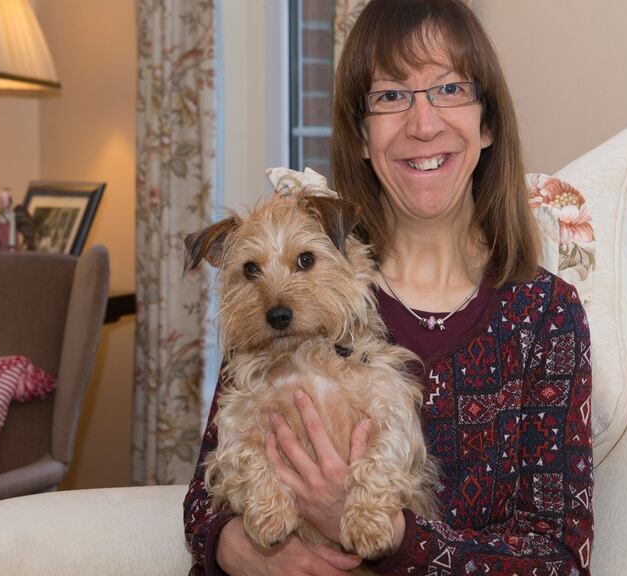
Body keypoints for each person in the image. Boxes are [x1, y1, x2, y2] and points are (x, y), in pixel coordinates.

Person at [183, 0, 593, 574]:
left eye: (450, 89)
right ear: (359, 134)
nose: (423, 125)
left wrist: (391, 535)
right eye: (391, 96)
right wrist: (238, 548)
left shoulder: (545, 314)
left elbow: (560, 559)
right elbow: (206, 498)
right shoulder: (297, 297)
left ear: (489, 121)